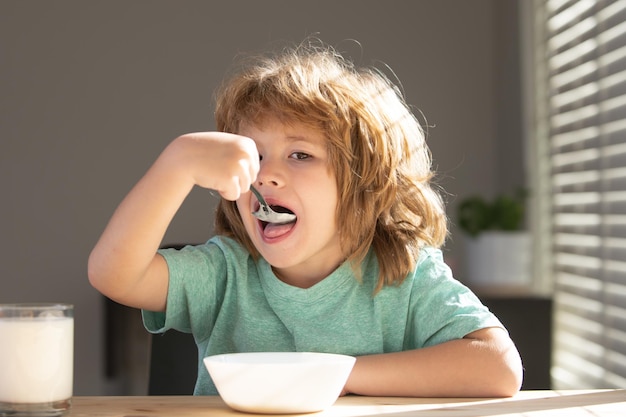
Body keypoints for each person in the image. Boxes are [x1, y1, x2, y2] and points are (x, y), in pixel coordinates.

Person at [88, 40, 523, 397]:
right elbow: (115, 276)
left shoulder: (405, 275)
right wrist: (176, 165)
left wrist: (332, 375)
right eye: (254, 155)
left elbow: (499, 368)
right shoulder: (225, 271)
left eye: (300, 155)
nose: (265, 173)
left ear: (365, 182)